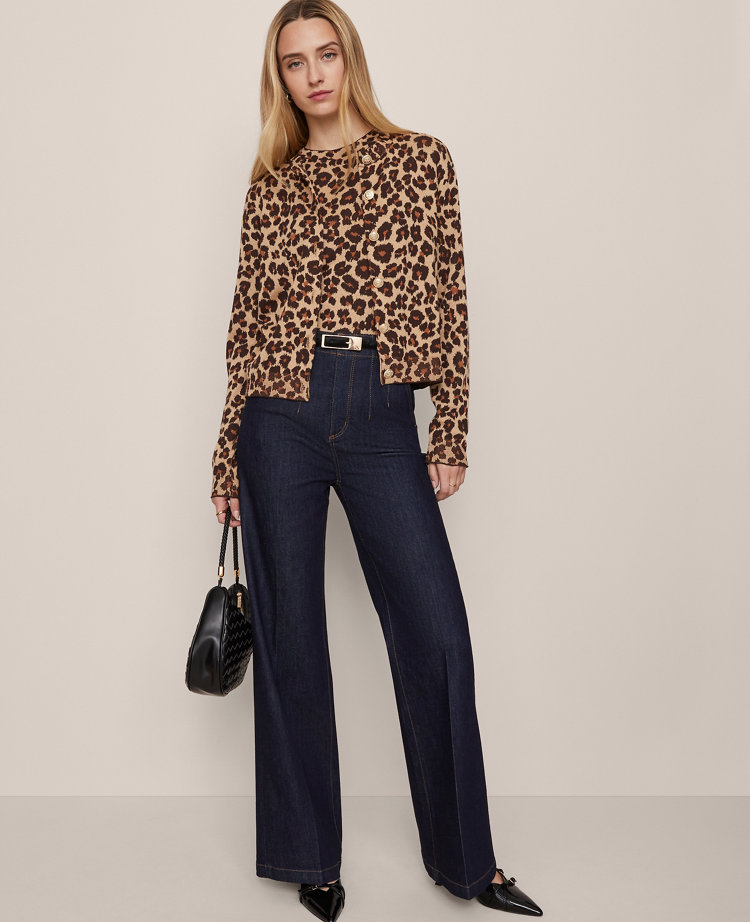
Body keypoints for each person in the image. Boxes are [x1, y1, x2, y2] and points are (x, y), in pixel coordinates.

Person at [209, 2, 544, 920]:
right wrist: (226, 456)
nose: (314, 75)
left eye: (326, 54)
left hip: (383, 407)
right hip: (279, 411)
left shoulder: (421, 160)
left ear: (350, 59)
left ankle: (469, 864)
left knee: (436, 631)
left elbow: (450, 294)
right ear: (280, 79)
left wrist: (452, 428)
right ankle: (309, 857)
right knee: (290, 636)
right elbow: (245, 328)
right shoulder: (271, 186)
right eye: (294, 63)